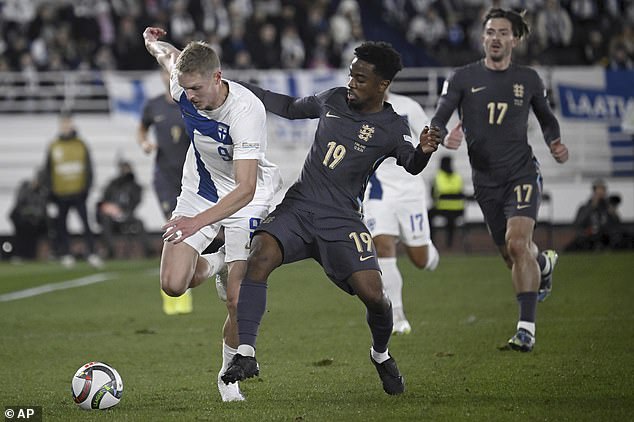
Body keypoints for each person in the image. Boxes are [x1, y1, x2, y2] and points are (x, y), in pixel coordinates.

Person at [219, 41, 443, 395]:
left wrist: (424, 151)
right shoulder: (334, 99)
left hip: (343, 221)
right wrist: (235, 88)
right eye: (351, 74)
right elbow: (290, 107)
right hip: (300, 206)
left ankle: (380, 354)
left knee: (375, 296)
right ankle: (246, 353)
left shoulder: (391, 124)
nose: (351, 82)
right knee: (258, 255)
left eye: (360, 78)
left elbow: (410, 163)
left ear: (382, 85)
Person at [142, 26, 282, 402]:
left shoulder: (246, 111)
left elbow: (246, 188)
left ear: (217, 78)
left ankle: (227, 378)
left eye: (196, 90)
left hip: (246, 197)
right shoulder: (182, 86)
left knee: (237, 298)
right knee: (173, 284)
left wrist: (196, 223)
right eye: (184, 89)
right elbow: (169, 58)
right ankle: (218, 260)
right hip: (200, 190)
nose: (189, 97)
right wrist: (152, 42)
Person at [430, 8, 569, 352]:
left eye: (503, 32)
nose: (496, 38)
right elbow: (442, 112)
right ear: (482, 37)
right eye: (490, 32)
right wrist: (441, 133)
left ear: (515, 39)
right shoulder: (463, 77)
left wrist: (554, 141)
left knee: (518, 244)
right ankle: (543, 264)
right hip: (485, 181)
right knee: (512, 255)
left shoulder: (529, 79)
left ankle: (526, 330)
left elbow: (547, 118)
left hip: (521, 172)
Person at [362, 90, 442, 335]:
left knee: (419, 259)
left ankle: (426, 248)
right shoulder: (357, 108)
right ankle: (397, 316)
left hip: (409, 191)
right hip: (378, 192)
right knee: (382, 246)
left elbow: (430, 140)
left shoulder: (408, 107)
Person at [138, 68, 194, 315]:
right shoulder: (153, 106)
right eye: (165, 72)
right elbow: (141, 128)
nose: (168, 76)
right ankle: (176, 294)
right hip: (164, 178)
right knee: (174, 229)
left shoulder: (192, 103)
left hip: (191, 179)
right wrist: (144, 143)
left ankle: (180, 286)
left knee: (186, 232)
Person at [44, 110, 103, 269]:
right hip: (60, 194)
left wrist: (87, 189)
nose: (66, 126)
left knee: (86, 225)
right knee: (61, 226)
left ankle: (91, 253)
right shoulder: (53, 146)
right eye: (63, 123)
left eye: (68, 122)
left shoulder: (81, 144)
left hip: (79, 193)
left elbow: (89, 168)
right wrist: (50, 193)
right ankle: (66, 254)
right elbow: (47, 171)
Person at [96, 160, 152, 259]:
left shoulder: (134, 186)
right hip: (111, 217)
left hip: (127, 215)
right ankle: (110, 250)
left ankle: (148, 251)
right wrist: (111, 209)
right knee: (106, 221)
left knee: (140, 223)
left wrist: (124, 211)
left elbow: (135, 201)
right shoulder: (113, 185)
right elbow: (103, 202)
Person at [565, 179, 626, 251]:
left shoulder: (608, 207)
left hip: (606, 237)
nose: (600, 193)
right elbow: (578, 223)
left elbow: (617, 225)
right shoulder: (585, 207)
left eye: (602, 190)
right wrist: (592, 206)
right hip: (590, 236)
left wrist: (613, 213)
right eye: (598, 190)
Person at [9, 168, 49, 261]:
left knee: (37, 231)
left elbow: (42, 209)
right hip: (21, 218)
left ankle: (32, 255)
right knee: (21, 233)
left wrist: (34, 215)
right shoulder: (24, 187)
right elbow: (19, 204)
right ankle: (18, 254)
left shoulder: (42, 192)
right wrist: (30, 212)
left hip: (34, 220)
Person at [428, 155, 465, 249]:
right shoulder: (457, 177)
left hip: (442, 208)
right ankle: (449, 243)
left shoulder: (437, 177)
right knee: (451, 222)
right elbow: (461, 191)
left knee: (428, 215)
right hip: (458, 209)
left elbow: (432, 195)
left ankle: (431, 240)